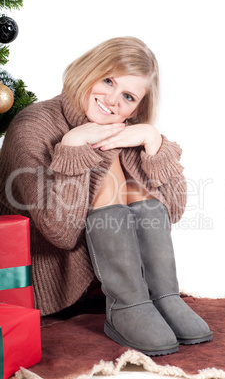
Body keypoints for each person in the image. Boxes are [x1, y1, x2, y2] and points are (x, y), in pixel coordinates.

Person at [0, 36, 212, 356]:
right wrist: (72, 148)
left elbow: (174, 210)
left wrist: (152, 143)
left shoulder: (122, 127)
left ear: (138, 106)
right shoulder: (32, 125)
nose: (112, 100)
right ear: (90, 71)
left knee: (126, 164)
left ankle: (161, 296)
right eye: (108, 81)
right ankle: (128, 305)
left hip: (105, 280)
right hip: (54, 280)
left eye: (127, 96)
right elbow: (61, 233)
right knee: (109, 166)